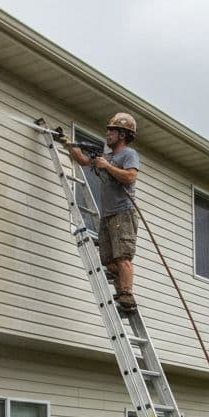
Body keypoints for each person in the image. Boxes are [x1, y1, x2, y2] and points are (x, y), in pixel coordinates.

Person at [64, 113, 141, 314]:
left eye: (112, 130)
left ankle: (127, 295)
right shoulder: (107, 157)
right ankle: (122, 294)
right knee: (108, 260)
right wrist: (68, 143)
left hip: (123, 212)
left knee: (123, 256)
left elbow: (131, 176)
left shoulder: (128, 154)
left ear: (123, 134)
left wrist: (107, 166)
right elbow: (83, 160)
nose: (107, 134)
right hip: (107, 215)